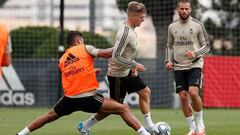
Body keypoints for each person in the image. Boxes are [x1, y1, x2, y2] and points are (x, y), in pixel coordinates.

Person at [16, 31, 150, 135]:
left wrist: (90, 72)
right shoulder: (84, 48)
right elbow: (107, 53)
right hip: (87, 98)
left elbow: (74, 74)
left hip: (69, 100)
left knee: (49, 116)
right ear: (79, 40)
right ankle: (145, 133)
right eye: (83, 41)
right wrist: (124, 45)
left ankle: (22, 133)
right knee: (123, 108)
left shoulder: (62, 59)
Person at [78, 1, 156, 135]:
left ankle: (149, 126)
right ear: (132, 16)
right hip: (117, 75)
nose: (143, 20)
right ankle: (85, 125)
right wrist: (134, 64)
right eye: (141, 17)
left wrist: (132, 65)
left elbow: (124, 54)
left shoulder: (131, 29)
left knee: (145, 92)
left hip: (127, 70)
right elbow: (115, 56)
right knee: (115, 107)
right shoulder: (125, 33)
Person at [165, 0, 210, 135]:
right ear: (177, 9)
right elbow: (169, 45)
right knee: (183, 97)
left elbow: (207, 46)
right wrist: (168, 60)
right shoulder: (172, 27)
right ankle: (192, 128)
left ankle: (201, 125)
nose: (184, 11)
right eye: (181, 9)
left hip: (194, 64)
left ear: (190, 10)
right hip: (179, 66)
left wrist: (195, 53)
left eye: (186, 9)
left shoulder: (197, 25)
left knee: (193, 92)